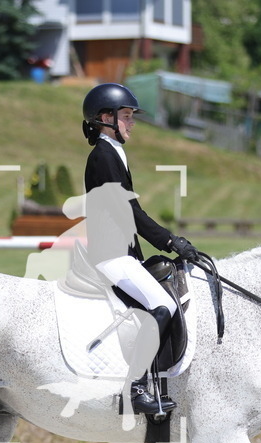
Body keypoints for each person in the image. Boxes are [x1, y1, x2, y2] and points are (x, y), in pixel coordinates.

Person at [81, 82, 199, 416]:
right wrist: (169, 240)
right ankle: (135, 389)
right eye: (127, 116)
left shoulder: (113, 152)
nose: (132, 123)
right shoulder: (103, 156)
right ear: (106, 117)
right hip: (112, 255)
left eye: (132, 116)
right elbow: (128, 211)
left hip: (124, 252)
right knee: (162, 305)